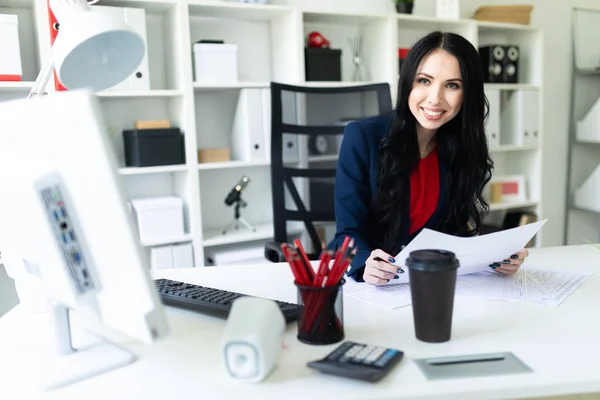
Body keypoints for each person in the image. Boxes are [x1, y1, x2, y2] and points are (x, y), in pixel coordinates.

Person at [328, 31, 529, 285]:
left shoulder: (462, 147)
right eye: (424, 81)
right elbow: (345, 236)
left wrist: (496, 257)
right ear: (408, 82)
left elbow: (455, 233)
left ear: (468, 94)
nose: (435, 98)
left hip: (433, 283)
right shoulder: (362, 137)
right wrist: (364, 263)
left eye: (452, 85)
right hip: (377, 291)